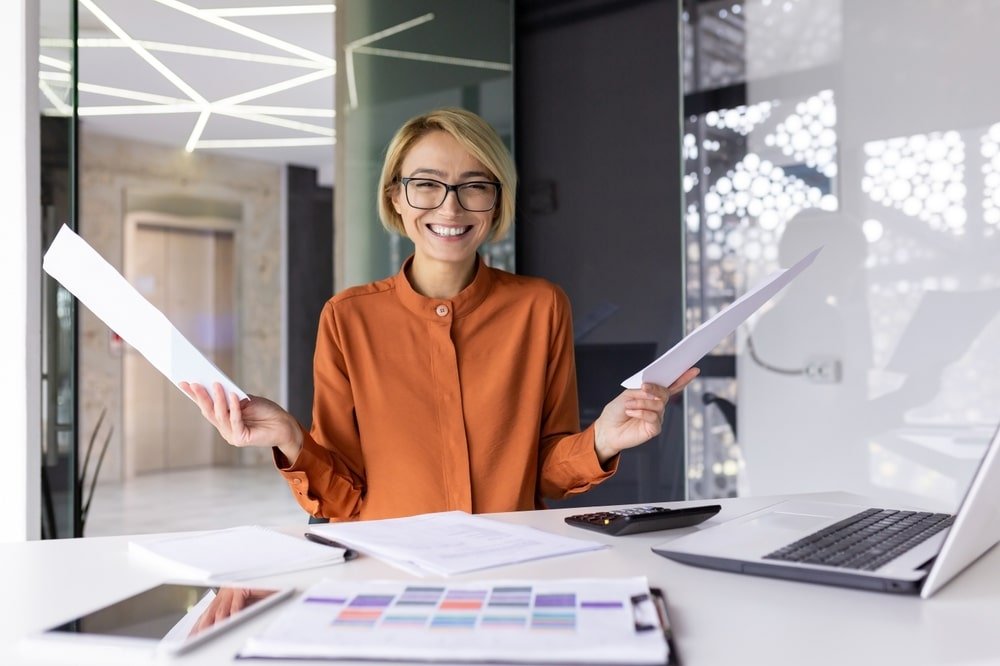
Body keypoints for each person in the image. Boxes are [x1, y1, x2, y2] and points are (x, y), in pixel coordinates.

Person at [181, 107, 698, 521]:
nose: (450, 208)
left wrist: (604, 437)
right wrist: (291, 439)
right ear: (396, 199)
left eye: (475, 185)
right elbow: (341, 499)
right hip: (391, 573)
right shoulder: (346, 318)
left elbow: (542, 474)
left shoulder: (541, 308)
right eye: (426, 184)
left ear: (496, 203)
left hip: (510, 565)